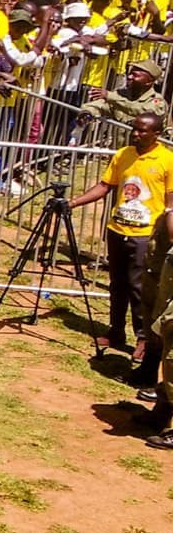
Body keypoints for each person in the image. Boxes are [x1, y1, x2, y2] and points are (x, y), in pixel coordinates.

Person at [69, 112, 173, 359]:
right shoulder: (123, 154)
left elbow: (170, 202)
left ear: (156, 134)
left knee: (139, 289)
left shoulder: (167, 160)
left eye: (142, 130)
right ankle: (116, 330)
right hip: (117, 230)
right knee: (117, 285)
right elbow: (105, 186)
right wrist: (73, 202)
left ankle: (144, 338)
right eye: (134, 129)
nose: (136, 134)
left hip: (145, 235)